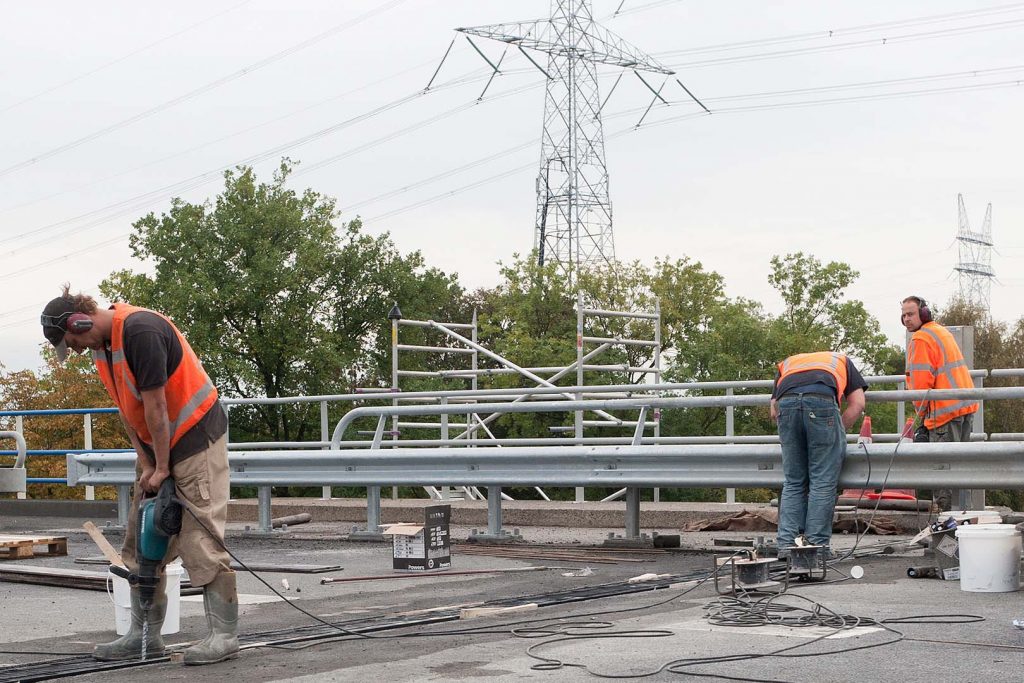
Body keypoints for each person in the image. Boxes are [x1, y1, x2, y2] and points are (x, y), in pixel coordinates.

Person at [40, 286, 238, 665]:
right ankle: (143, 636)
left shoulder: (141, 331)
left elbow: (157, 404)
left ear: (80, 321)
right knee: (144, 537)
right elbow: (128, 410)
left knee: (200, 540)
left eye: (73, 341)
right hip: (156, 447)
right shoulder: (103, 348)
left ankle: (224, 635)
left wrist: (162, 467)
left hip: (196, 438)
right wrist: (147, 464)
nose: (77, 349)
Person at [770, 352, 867, 557]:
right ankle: (815, 549)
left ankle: (787, 546)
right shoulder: (841, 360)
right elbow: (858, 403)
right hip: (821, 401)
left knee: (794, 481)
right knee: (822, 481)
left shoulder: (788, 363)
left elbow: (773, 409)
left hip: (786, 405)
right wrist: (836, 431)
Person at [901, 295, 979, 512]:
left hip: (944, 413)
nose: (907, 319)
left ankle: (945, 527)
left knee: (942, 471)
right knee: (960, 470)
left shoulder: (920, 339)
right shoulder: (940, 331)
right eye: (904, 315)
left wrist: (922, 418)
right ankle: (963, 521)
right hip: (964, 407)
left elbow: (920, 386)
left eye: (911, 314)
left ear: (923, 313)